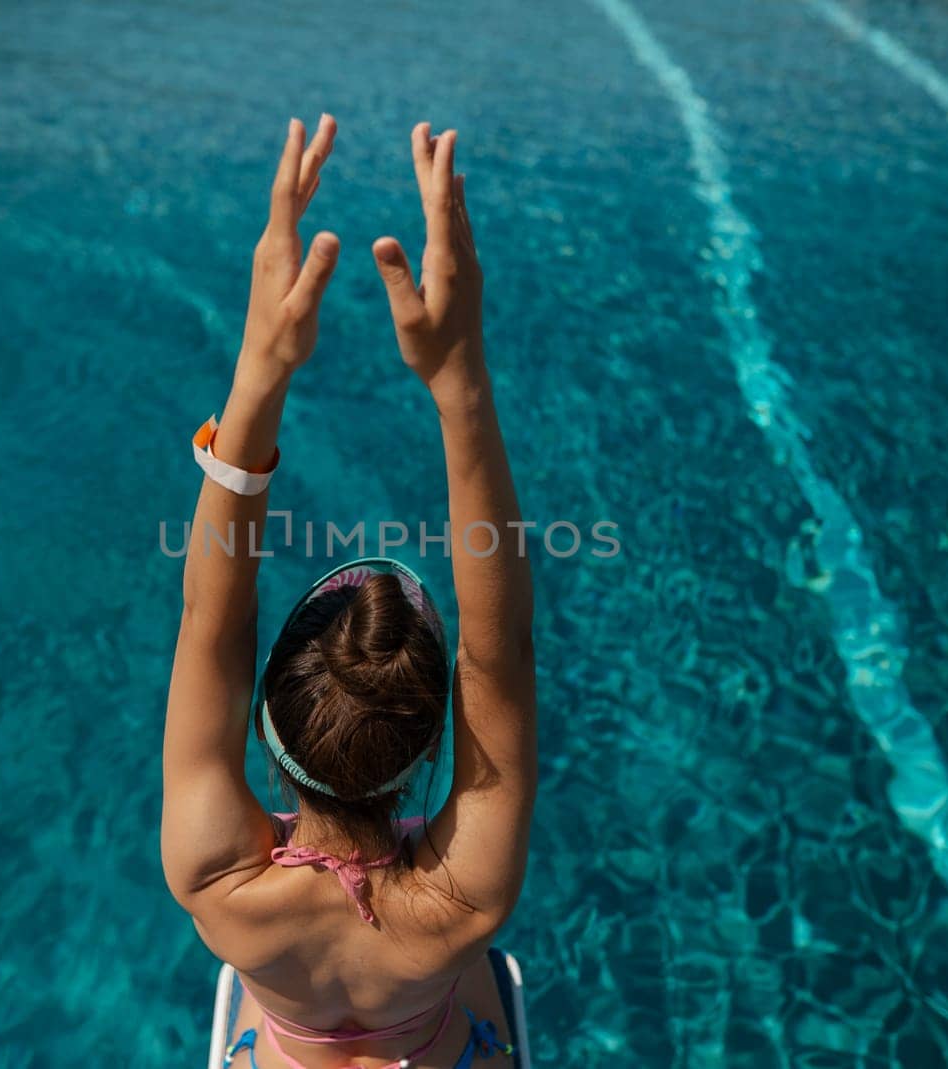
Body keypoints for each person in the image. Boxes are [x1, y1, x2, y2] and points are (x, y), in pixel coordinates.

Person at [161, 113, 536, 1069]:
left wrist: (260, 369)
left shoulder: (213, 875)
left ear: (263, 727)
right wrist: (459, 382)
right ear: (426, 749)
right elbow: (499, 654)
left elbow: (214, 618)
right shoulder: (466, 893)